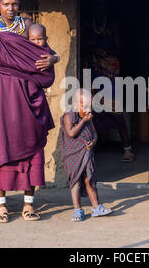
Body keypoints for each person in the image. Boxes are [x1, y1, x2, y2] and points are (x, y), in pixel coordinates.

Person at [0, 0, 58, 223]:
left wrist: (54, 58)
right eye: (6, 4)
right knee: (0, 146)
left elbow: (47, 52)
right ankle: (1, 207)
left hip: (29, 99)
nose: (11, 8)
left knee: (32, 147)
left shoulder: (29, 27)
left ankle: (28, 205)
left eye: (15, 4)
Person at [82, 0, 134, 162]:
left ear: (106, 8)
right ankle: (93, 146)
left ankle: (127, 148)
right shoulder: (88, 25)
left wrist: (105, 53)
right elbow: (83, 46)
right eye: (97, 5)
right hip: (92, 70)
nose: (99, 9)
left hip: (110, 71)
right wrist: (94, 49)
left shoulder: (111, 25)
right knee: (92, 109)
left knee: (114, 108)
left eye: (102, 6)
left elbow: (119, 50)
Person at [60, 89, 113, 221]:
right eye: (86, 106)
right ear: (77, 104)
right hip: (73, 156)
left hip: (87, 154)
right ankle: (77, 210)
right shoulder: (69, 116)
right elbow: (71, 133)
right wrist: (83, 121)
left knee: (90, 179)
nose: (89, 109)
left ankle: (96, 207)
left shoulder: (88, 116)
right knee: (76, 182)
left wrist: (93, 142)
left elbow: (94, 134)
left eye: (90, 106)